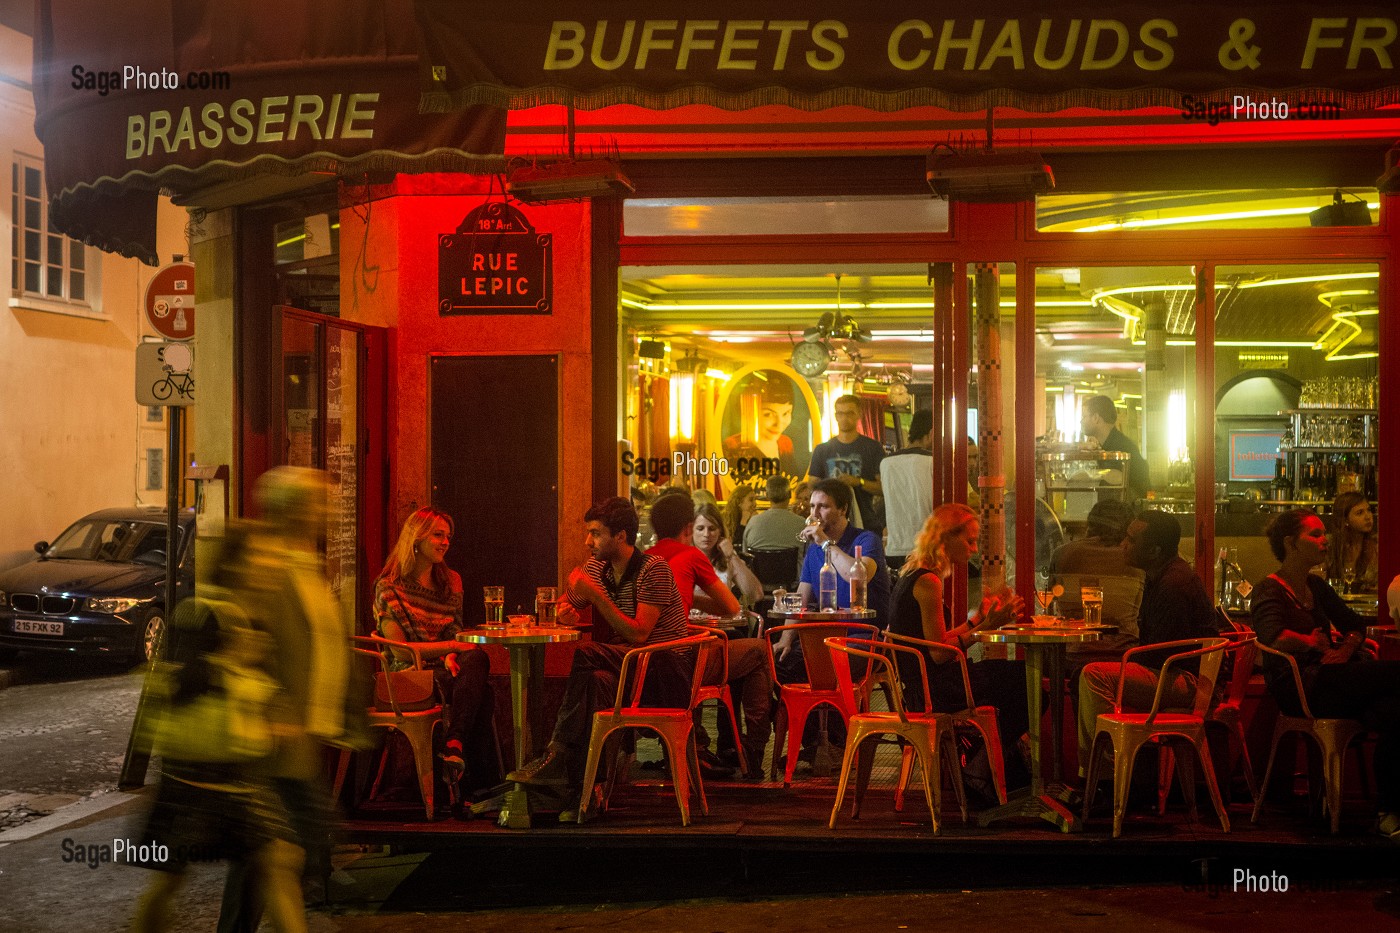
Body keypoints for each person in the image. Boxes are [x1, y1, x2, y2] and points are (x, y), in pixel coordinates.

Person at [133, 526, 306, 933]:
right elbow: (184, 686)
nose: (271, 566)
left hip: (233, 772)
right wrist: (243, 671)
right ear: (236, 564)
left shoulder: (248, 615)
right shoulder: (203, 612)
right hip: (199, 773)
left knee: (279, 859)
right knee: (171, 879)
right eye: (261, 557)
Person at [219, 467, 358, 933]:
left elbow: (322, 640)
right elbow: (242, 646)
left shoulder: (304, 560)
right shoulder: (263, 564)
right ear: (292, 509)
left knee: (270, 857)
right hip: (272, 740)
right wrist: (273, 710)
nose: (327, 511)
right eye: (319, 502)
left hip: (303, 736)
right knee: (281, 854)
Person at [507, 497, 692, 814]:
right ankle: (588, 793)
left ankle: (557, 752)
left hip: (666, 671)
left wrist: (594, 595)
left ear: (620, 536)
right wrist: (564, 610)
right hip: (627, 668)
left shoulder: (654, 569)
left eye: (595, 533)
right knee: (596, 682)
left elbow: (638, 635)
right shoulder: (598, 567)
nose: (587, 541)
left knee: (587, 653)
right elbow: (567, 602)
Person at [1251, 509, 1400, 840]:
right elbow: (1270, 636)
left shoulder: (1315, 585)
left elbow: (1355, 624)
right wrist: (1310, 642)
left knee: (1395, 713)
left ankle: (1387, 812)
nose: (1325, 540)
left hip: (1333, 681)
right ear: (1291, 543)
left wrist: (1344, 650)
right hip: (1300, 686)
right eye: (1315, 535)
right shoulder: (1268, 589)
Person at [886, 503, 1029, 790]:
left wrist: (977, 618)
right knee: (1029, 685)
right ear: (945, 538)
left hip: (921, 685)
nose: (975, 549)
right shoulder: (928, 582)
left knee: (1017, 678)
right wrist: (985, 628)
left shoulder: (915, 571)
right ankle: (978, 769)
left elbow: (934, 641)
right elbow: (939, 654)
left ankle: (982, 767)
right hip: (934, 690)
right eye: (970, 540)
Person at [1075, 510, 1222, 780]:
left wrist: (1121, 657)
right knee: (1084, 672)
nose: (1123, 545)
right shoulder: (1163, 575)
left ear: (1154, 550)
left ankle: (1111, 776)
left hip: (1188, 682)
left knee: (1093, 675)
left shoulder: (1173, 586)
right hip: (1177, 673)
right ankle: (1100, 773)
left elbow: (1160, 655)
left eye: (1131, 540)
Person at [372, 507, 499, 803]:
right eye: (438, 535)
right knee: (484, 693)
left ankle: (454, 748)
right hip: (406, 675)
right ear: (416, 539)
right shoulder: (389, 586)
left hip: (442, 669)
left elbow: (452, 632)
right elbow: (400, 650)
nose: (445, 542)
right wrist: (452, 649)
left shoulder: (450, 581)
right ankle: (477, 787)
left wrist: (450, 654)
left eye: (448, 537)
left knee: (476, 658)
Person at [807, 393, 886, 535]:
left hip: (866, 522)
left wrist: (858, 482)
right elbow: (812, 485)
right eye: (840, 413)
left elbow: (883, 488)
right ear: (836, 416)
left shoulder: (873, 448)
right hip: (830, 523)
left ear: (859, 414)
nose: (844, 418)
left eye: (849, 413)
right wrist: (831, 485)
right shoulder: (822, 449)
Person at [880, 408, 934, 572]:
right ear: (932, 433)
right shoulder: (932, 462)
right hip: (925, 548)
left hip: (894, 548)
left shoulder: (886, 463)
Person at [691, 503, 763, 608]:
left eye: (712, 529)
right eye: (700, 528)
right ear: (691, 530)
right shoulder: (683, 557)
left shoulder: (727, 558)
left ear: (720, 531)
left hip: (722, 621)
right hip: (692, 622)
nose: (706, 534)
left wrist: (732, 556)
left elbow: (756, 594)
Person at [723, 377, 799, 478]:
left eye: (786, 413)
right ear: (748, 411)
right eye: (768, 414)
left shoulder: (785, 443)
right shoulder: (732, 446)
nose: (779, 424)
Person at [1080, 395, 1149, 500]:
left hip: (1125, 512)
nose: (1081, 421)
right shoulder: (1106, 445)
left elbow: (1117, 479)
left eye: (1084, 416)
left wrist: (1088, 475)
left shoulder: (1121, 447)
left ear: (1096, 418)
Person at [1325, 491, 1378, 594]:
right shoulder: (1331, 545)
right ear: (1345, 520)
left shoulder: (1377, 545)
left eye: (1369, 510)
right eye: (1360, 513)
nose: (1368, 517)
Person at [741, 475, 807, 553]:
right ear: (789, 494)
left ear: (767, 496)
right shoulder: (802, 524)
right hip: (793, 565)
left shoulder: (753, 522)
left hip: (760, 565)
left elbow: (745, 553)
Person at [722, 483, 758, 551]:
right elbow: (736, 546)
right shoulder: (725, 518)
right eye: (751, 500)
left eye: (755, 499)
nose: (755, 503)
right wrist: (743, 523)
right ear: (739, 502)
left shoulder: (754, 518)